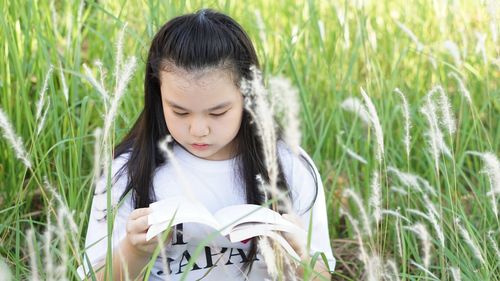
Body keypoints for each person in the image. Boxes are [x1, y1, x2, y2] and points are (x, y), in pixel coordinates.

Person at [78, 9, 335, 280]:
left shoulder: (289, 166)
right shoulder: (128, 171)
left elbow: (320, 275)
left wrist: (295, 257)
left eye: (217, 113)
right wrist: (134, 250)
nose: (198, 130)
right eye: (179, 112)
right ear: (158, 94)